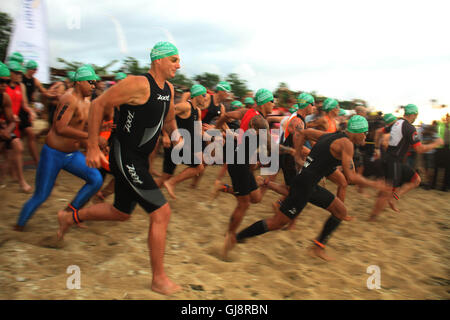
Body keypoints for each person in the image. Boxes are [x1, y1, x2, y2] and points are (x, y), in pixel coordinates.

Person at [57, 41, 183, 295]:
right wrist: (92, 146)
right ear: (158, 60)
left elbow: (168, 119)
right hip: (124, 155)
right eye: (174, 60)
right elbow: (97, 105)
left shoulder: (168, 89)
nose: (178, 65)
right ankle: (158, 279)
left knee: (121, 213)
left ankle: (69, 217)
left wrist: (176, 136)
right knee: (161, 213)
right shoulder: (137, 84)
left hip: (139, 159)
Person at [229, 116, 390, 261]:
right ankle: (238, 236)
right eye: (365, 132)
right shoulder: (347, 143)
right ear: (356, 132)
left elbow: (304, 133)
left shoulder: (332, 136)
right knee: (277, 223)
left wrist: (298, 155)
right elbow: (351, 177)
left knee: (340, 211)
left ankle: (317, 248)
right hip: (304, 186)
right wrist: (374, 184)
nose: (366, 135)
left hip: (309, 183)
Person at [15, 66, 103, 231]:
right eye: (90, 82)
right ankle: (19, 226)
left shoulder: (87, 102)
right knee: (41, 195)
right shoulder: (69, 98)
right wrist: (90, 137)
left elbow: (82, 130)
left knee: (96, 179)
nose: (93, 86)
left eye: (95, 83)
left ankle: (69, 213)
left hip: (71, 155)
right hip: (53, 154)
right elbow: (60, 128)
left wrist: (94, 143)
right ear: (79, 82)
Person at [214, 88, 274, 258]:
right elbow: (271, 148)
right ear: (264, 102)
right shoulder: (260, 120)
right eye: (272, 101)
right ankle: (229, 236)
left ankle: (224, 188)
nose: (274, 104)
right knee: (244, 203)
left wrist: (217, 128)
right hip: (238, 161)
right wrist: (292, 153)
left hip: (242, 160)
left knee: (255, 198)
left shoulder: (247, 112)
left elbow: (225, 116)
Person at [370, 104, 443, 221]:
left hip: (392, 160)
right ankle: (372, 218)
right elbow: (419, 149)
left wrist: (377, 148)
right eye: (416, 115)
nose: (416, 117)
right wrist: (436, 143)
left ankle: (394, 199)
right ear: (413, 114)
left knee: (416, 180)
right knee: (387, 191)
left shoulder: (396, 123)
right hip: (393, 162)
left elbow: (379, 131)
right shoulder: (409, 128)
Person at [156, 84, 206, 198]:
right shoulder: (185, 106)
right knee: (198, 166)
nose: (205, 98)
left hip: (179, 145)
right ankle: (171, 183)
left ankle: (143, 192)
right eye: (203, 95)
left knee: (165, 176)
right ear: (196, 95)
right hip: (173, 143)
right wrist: (165, 135)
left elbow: (198, 132)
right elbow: (164, 115)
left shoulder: (197, 111)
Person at [0, 62, 31, 192]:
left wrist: (7, 130)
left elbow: (12, 120)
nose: (4, 85)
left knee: (17, 145)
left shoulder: (4, 97)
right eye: (1, 81)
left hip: (2, 128)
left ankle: (21, 181)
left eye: (6, 82)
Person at [432, 114, 450, 191]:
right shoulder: (440, 125)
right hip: (439, 148)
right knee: (436, 167)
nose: (448, 119)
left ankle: (444, 187)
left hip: (448, 149)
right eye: (447, 118)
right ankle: (433, 185)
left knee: (447, 169)